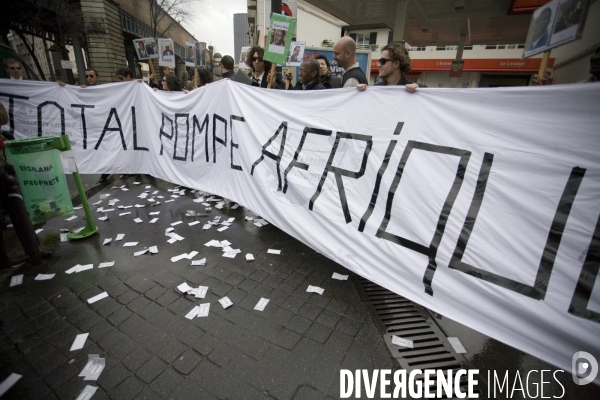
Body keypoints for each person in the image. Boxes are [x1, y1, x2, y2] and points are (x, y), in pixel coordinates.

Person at [0, 103, 52, 268]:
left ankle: (34, 249)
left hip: (5, 173)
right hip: (2, 174)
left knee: (22, 211)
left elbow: (3, 117)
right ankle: (9, 257)